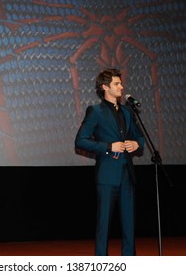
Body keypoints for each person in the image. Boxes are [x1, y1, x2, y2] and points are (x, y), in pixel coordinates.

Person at [75, 68, 145, 256]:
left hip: (127, 175)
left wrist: (135, 144)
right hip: (107, 175)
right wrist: (108, 147)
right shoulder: (96, 111)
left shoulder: (127, 112)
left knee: (129, 226)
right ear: (105, 87)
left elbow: (141, 138)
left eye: (121, 83)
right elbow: (80, 140)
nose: (121, 86)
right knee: (103, 225)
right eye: (117, 84)